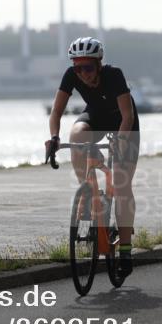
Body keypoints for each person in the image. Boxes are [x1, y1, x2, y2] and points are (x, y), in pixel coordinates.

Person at [46, 37, 140, 279]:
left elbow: (127, 115)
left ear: (98, 64)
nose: (82, 73)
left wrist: (121, 140)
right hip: (96, 115)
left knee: (121, 186)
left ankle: (126, 251)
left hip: (123, 121)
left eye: (87, 67)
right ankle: (87, 190)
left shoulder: (114, 75)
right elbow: (56, 111)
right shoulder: (71, 75)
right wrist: (54, 138)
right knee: (76, 135)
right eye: (78, 68)